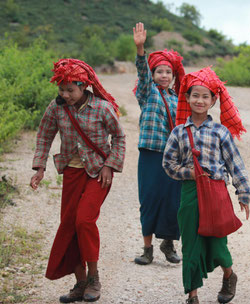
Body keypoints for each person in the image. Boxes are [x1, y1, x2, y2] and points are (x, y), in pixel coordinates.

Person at [30, 58, 126, 303]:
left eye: (70, 90)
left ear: (84, 86)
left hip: (98, 173)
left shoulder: (102, 108)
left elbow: (119, 138)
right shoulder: (56, 107)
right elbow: (45, 135)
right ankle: (80, 282)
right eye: (61, 89)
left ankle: (94, 278)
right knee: (70, 225)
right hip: (71, 173)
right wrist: (39, 167)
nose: (65, 94)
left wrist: (110, 166)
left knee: (84, 220)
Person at [162, 67, 250, 304]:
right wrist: (188, 173)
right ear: (187, 98)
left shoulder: (221, 132)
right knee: (190, 243)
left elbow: (236, 164)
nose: (199, 101)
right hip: (191, 192)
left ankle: (229, 276)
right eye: (195, 95)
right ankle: (192, 294)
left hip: (217, 192)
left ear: (213, 101)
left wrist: (243, 193)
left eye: (205, 96)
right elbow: (168, 163)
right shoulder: (179, 132)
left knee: (217, 242)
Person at [132, 22, 185, 265]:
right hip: (151, 154)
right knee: (150, 199)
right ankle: (147, 248)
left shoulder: (179, 98)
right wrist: (141, 49)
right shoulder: (147, 92)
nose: (163, 75)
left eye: (168, 72)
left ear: (173, 76)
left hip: (173, 157)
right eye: (159, 71)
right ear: (153, 75)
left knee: (173, 201)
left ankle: (169, 243)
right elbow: (142, 73)